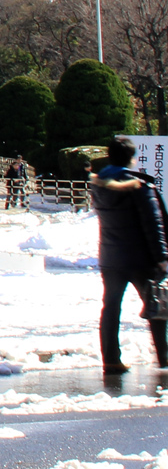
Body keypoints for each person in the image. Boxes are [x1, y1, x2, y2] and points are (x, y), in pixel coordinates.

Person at [88, 137, 168, 374]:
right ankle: (164, 357)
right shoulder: (139, 186)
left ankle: (111, 360)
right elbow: (153, 224)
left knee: (111, 308)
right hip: (140, 258)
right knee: (157, 305)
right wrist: (162, 257)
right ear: (131, 159)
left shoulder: (99, 186)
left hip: (111, 258)